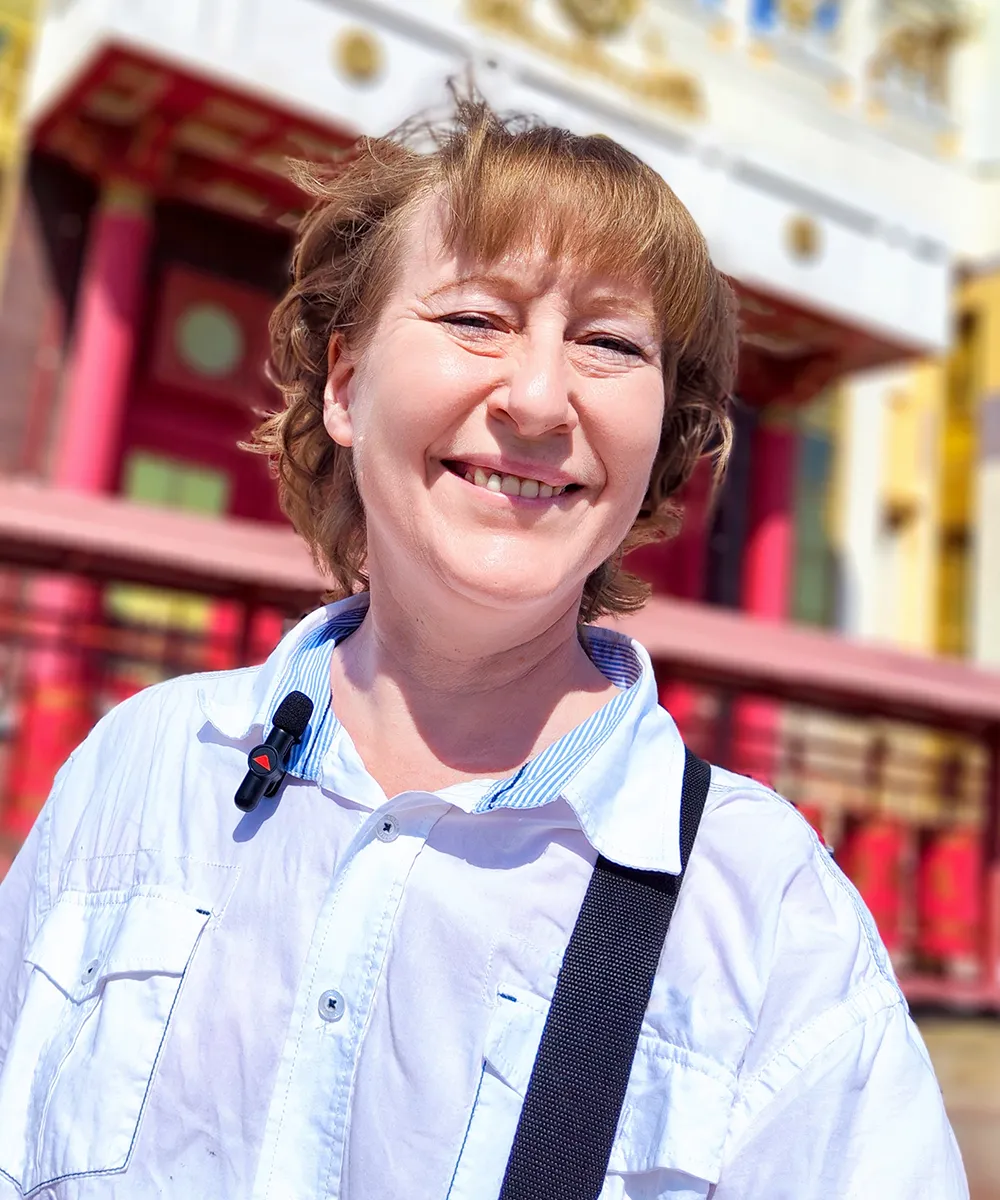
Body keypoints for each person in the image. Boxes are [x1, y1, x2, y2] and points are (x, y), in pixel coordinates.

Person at [0, 99, 967, 1200]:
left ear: (660, 450)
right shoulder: (143, 772)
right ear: (347, 385)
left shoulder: (765, 917)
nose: (540, 398)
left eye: (607, 344)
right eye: (475, 318)